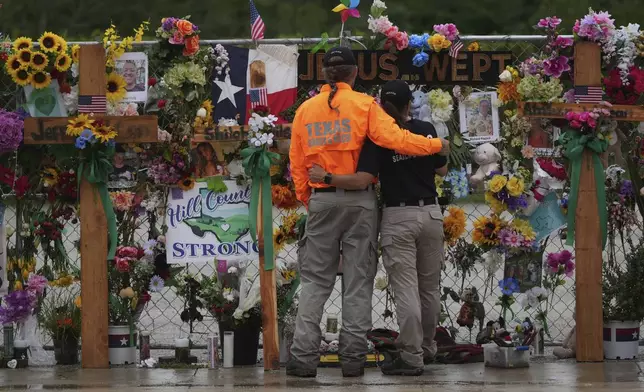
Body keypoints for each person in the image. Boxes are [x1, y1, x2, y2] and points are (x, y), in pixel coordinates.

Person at [288, 47, 449, 378]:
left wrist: (310, 200)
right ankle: (352, 360)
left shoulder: (305, 110)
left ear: (325, 74)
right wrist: (435, 145)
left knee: (316, 282)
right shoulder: (364, 106)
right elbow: (397, 140)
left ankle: (303, 358)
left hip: (322, 199)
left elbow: (297, 163)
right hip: (360, 201)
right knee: (359, 282)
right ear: (353, 74)